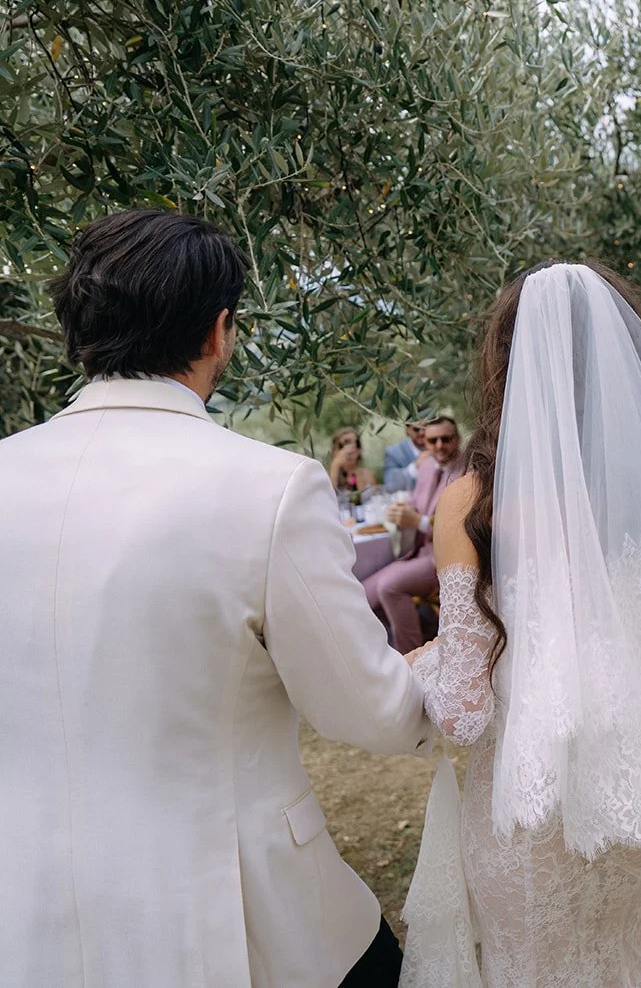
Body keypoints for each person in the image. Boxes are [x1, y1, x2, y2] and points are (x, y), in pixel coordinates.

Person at [0, 209, 432, 987]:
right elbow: (366, 709)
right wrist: (442, 671)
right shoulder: (270, 489)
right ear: (220, 330)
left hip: (27, 920)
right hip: (243, 918)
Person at [398, 261, 641, 986]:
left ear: (505, 366)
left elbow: (462, 709)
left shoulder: (473, 504)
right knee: (632, 956)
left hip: (526, 816)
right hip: (637, 807)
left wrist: (422, 658)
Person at [362, 417, 466, 653]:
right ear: (425, 443)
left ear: (457, 439)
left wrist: (418, 522)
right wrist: (402, 511)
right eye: (433, 440)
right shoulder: (427, 466)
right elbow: (418, 503)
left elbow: (459, 529)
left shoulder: (466, 472)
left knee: (389, 587)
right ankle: (382, 654)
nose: (439, 445)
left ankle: (411, 657)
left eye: (446, 439)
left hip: (442, 559)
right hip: (416, 553)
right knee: (362, 596)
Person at [328, 426, 378, 494]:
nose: (351, 448)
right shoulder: (325, 475)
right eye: (344, 444)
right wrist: (335, 466)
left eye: (356, 444)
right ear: (334, 450)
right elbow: (327, 496)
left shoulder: (368, 474)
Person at [383, 421, 427, 490]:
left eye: (425, 428)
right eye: (416, 429)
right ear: (407, 430)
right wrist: (415, 467)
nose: (422, 432)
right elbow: (390, 485)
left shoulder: (442, 447)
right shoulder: (394, 452)